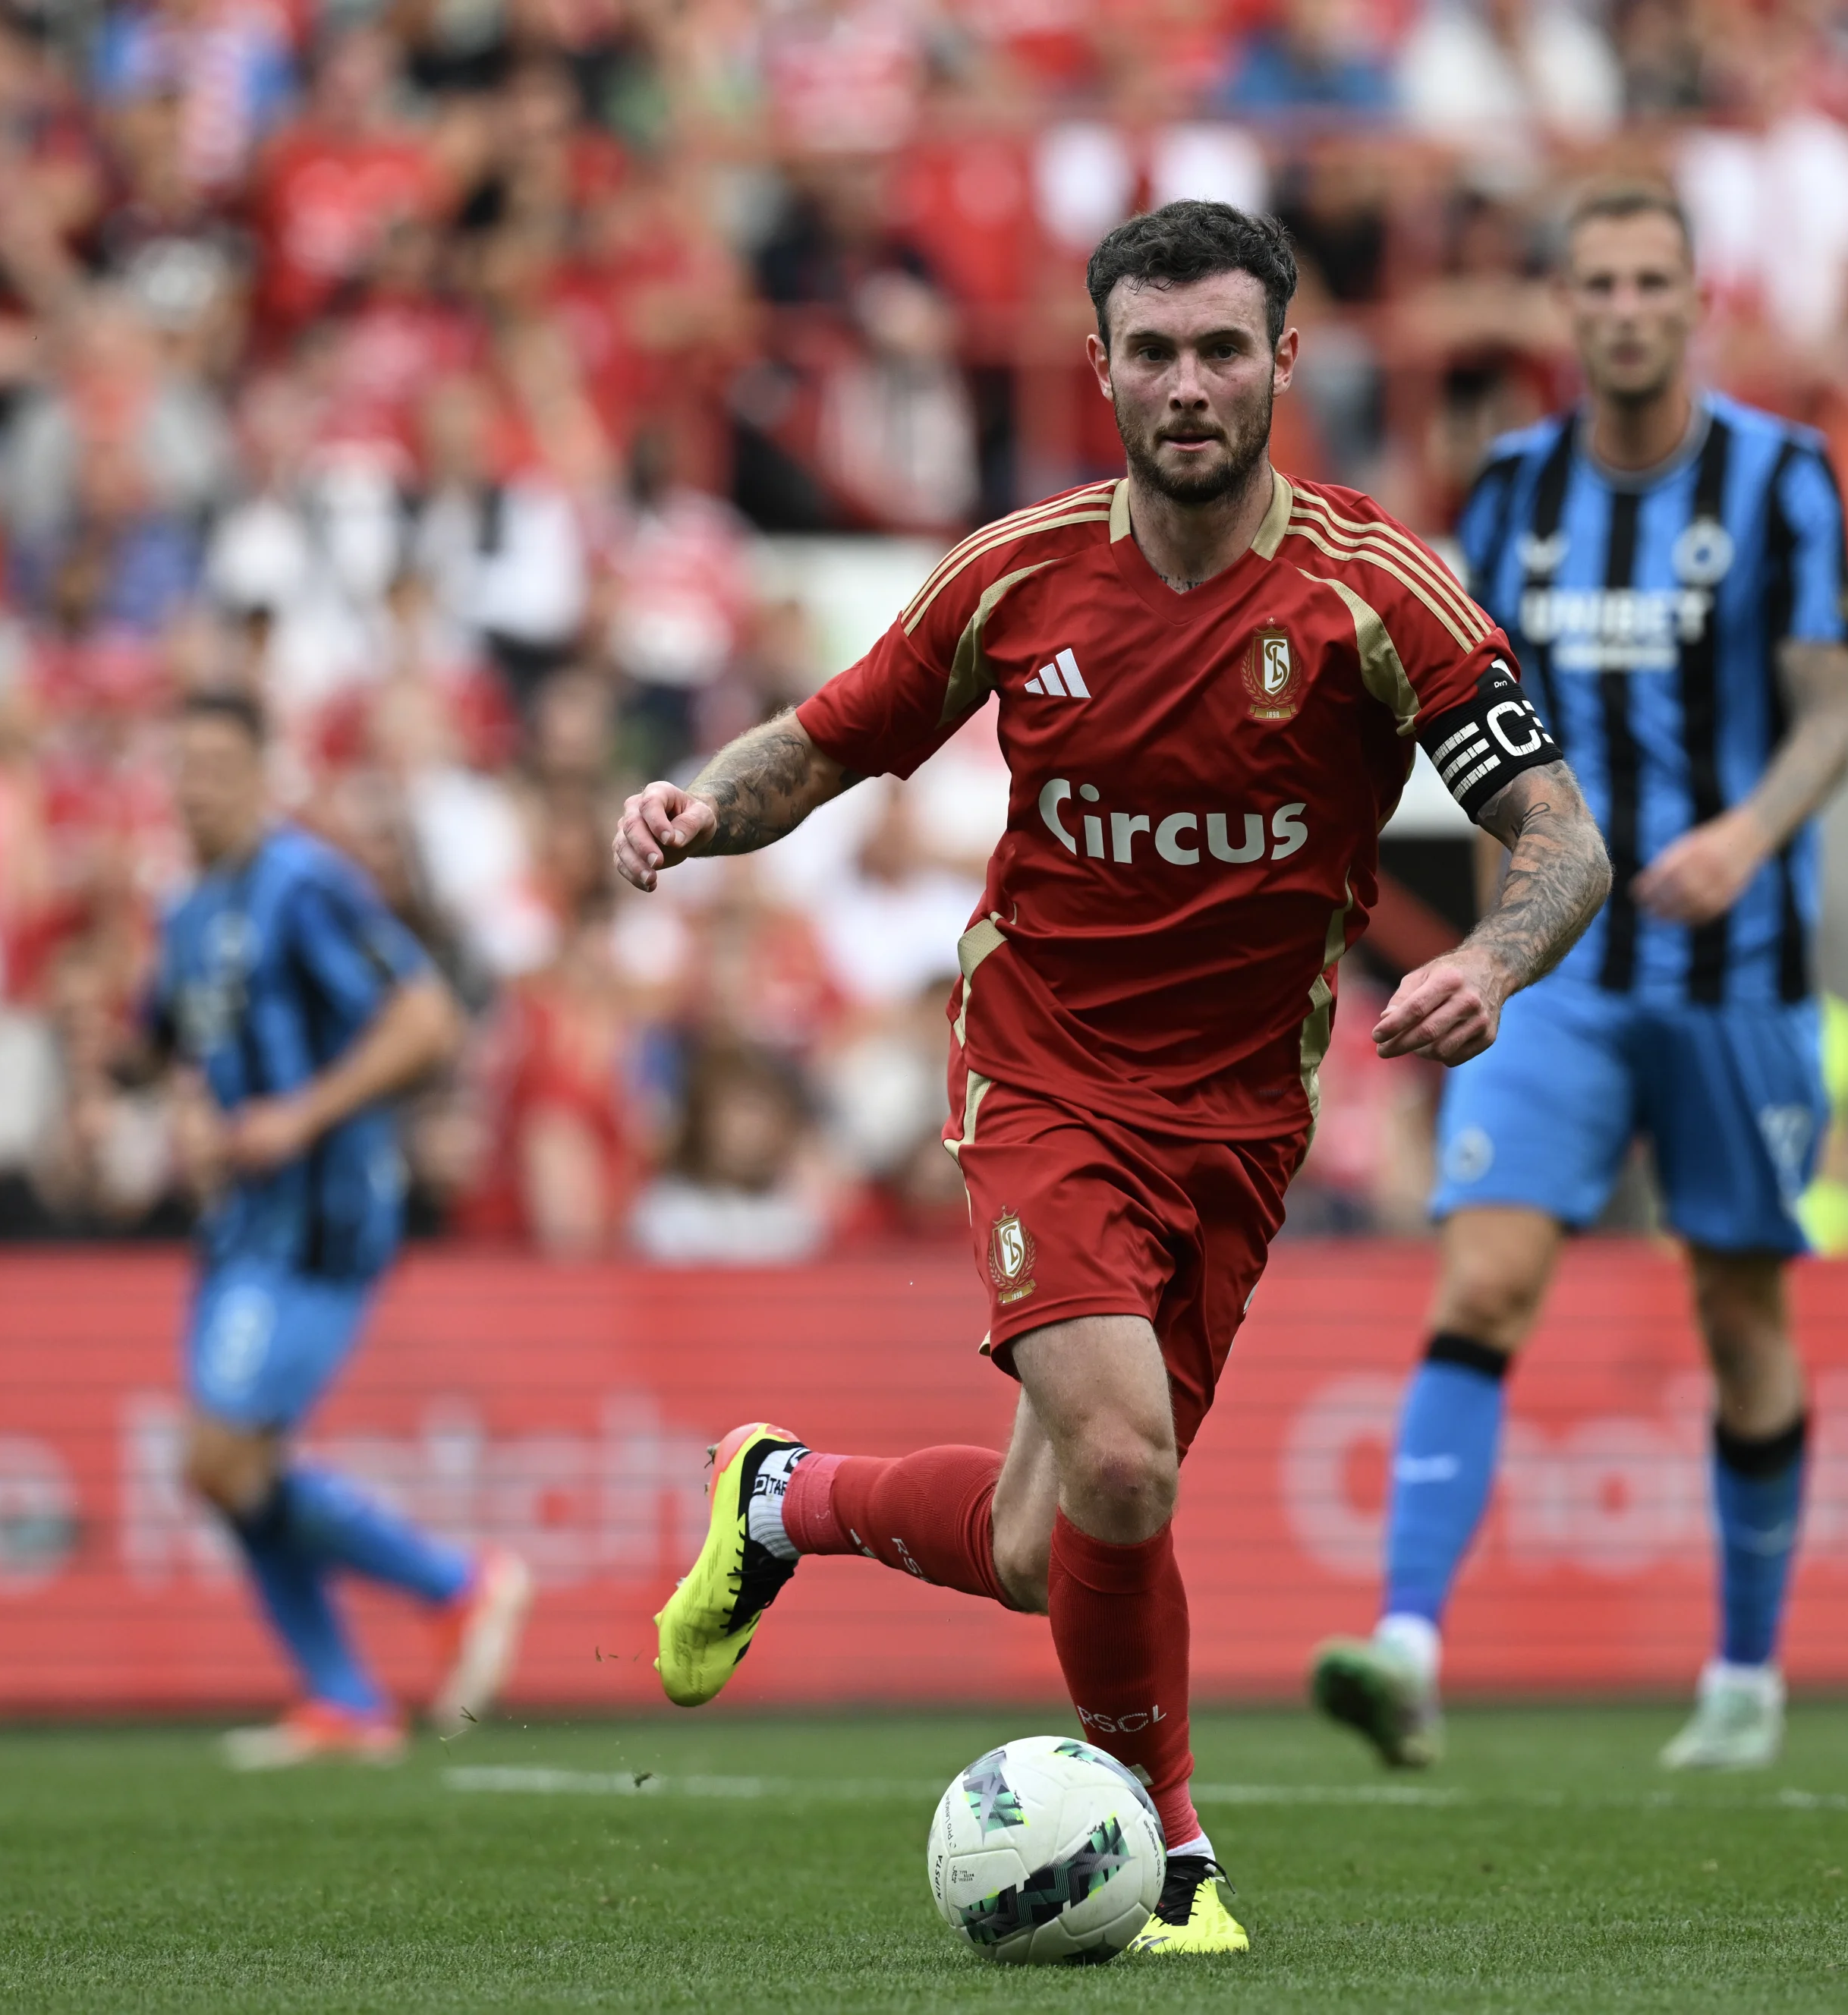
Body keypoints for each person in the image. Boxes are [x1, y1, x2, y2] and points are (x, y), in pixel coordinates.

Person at [611, 201, 1609, 1955]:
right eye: (1152, 352)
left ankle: (781, 1495)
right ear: (1101, 369)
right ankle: (1172, 1850)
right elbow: (831, 740)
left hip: (1241, 1123)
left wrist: (1488, 957)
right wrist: (704, 805)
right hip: (1044, 1076)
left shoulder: (1378, 599)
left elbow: (1559, 836)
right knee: (1128, 1470)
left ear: (1287, 362)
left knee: (1039, 1540)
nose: (1189, 384)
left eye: (1224, 348)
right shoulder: (1018, 573)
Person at [1307, 183, 1848, 1774]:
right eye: (1598, 284)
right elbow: (1484, 725)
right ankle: (1407, 1644)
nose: (1624, 309)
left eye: (1651, 282)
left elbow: (1834, 712)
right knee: (1482, 1279)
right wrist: (1492, 951)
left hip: (1740, 967)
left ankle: (1746, 1676)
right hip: (1561, 974)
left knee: (1737, 1302)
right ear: (1568, 309)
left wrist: (1749, 837)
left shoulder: (1785, 480)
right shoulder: (1513, 492)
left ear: (1699, 303)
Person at [146, 691, 530, 1768]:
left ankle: (456, 1585)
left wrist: (300, 1114)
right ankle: (344, 1698)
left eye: (220, 762)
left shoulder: (302, 882)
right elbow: (169, 1045)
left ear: (262, 772)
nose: (197, 783)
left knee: (223, 1456)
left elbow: (424, 1017)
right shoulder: (184, 913)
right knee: (232, 1464)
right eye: (183, 763)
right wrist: (187, 1115)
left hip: (320, 1212)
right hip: (239, 1222)